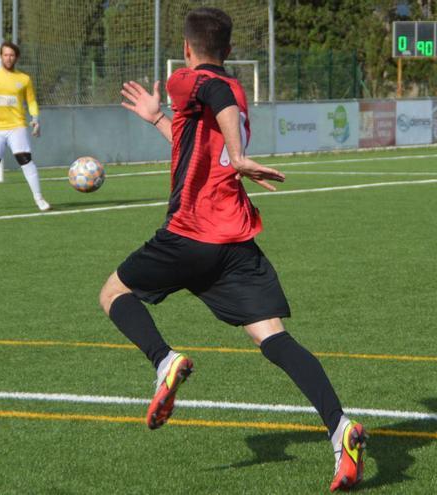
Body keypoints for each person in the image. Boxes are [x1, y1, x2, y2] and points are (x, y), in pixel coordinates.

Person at [98, 7, 367, 492]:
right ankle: (340, 429)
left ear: (188, 49)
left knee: (114, 293)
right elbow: (197, 142)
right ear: (229, 49)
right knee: (275, 339)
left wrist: (238, 155)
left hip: (189, 233)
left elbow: (213, 94)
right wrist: (158, 118)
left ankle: (164, 361)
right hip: (235, 242)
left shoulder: (189, 80)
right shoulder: (240, 93)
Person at [0, 41, 50, 211]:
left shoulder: (24, 79)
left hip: (17, 126)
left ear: (17, 57)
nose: (8, 58)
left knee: (25, 160)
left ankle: (39, 199)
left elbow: (31, 101)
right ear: (0, 56)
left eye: (12, 55)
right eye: (5, 55)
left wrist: (35, 119)